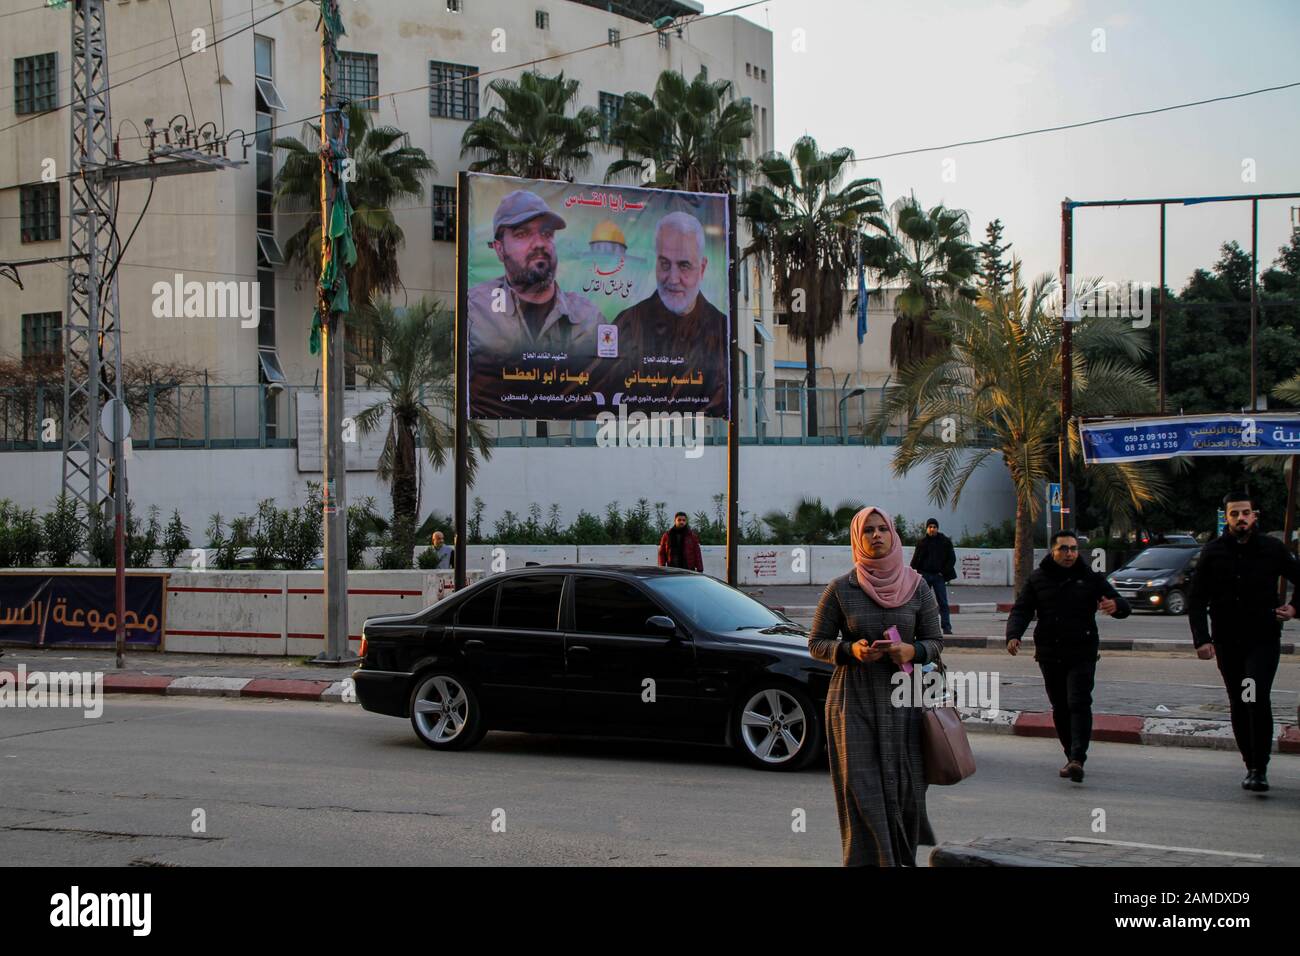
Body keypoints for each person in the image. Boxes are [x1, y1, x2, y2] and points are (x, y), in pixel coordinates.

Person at [808, 507, 943, 867]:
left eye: (883, 529)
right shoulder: (841, 589)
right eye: (868, 530)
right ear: (858, 538)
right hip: (854, 699)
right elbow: (816, 643)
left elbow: (936, 640)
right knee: (862, 788)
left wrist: (912, 649)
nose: (877, 535)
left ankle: (901, 860)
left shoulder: (918, 586)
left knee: (907, 788)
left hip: (906, 699)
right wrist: (850, 650)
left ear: (894, 534)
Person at [1188, 490, 1300, 793]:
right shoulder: (1213, 552)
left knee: (1256, 695)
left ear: (1255, 516)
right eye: (1234, 514)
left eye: (1245, 513)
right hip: (1228, 639)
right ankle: (1250, 762)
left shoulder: (1272, 549)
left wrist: (1293, 607)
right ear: (1226, 517)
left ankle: (1259, 766)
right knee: (1239, 700)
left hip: (1262, 638)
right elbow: (1197, 599)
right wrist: (1202, 639)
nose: (1241, 519)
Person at [1005, 529, 1130, 782]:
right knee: (1060, 706)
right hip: (1050, 653)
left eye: (1073, 549)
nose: (1069, 553)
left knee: (1079, 702)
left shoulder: (1090, 578)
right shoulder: (1038, 578)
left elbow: (1120, 603)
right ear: (1053, 551)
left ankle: (1077, 758)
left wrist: (1117, 606)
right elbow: (1022, 609)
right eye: (1064, 549)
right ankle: (1069, 755)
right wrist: (1013, 634)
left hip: (1082, 651)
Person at [467, 190, 603, 414]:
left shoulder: (589, 319)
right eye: (523, 234)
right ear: (500, 249)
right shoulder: (475, 309)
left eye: (547, 233)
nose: (539, 243)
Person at [608, 211, 729, 415]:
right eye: (665, 264)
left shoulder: (721, 330)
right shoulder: (627, 325)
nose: (673, 279)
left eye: (684, 266)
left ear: (702, 268)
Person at [910, 517, 957, 635]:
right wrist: (915, 573)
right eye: (930, 527)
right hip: (924, 576)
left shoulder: (944, 541)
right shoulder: (922, 542)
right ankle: (918, 628)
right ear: (927, 528)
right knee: (921, 602)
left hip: (938, 576)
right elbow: (915, 560)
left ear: (937, 528)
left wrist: (943, 572)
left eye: (934, 527)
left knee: (943, 602)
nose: (932, 529)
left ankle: (946, 627)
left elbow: (952, 559)